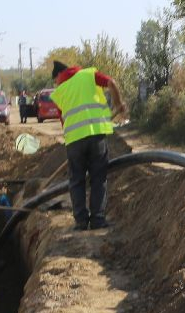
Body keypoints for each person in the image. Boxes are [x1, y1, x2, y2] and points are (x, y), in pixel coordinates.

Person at [49, 59, 127, 231]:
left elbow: (64, 121)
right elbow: (111, 83)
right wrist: (118, 104)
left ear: (60, 75)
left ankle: (81, 222)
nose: (56, 83)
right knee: (98, 178)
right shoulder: (88, 75)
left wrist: (74, 141)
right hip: (97, 136)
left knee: (76, 181)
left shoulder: (60, 91)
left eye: (56, 80)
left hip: (74, 140)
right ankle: (98, 219)